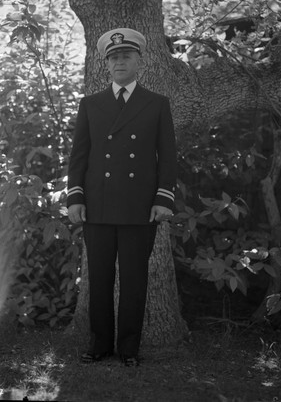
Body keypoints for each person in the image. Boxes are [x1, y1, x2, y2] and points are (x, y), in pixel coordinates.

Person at [67, 28, 177, 367]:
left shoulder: (157, 104)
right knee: (98, 280)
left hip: (139, 207)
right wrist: (75, 197)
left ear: (138, 62)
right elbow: (79, 156)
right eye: (114, 58)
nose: (120, 62)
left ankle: (129, 348)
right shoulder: (91, 104)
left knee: (134, 281)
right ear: (106, 65)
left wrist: (163, 199)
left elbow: (168, 156)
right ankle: (100, 344)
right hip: (97, 206)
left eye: (126, 56)